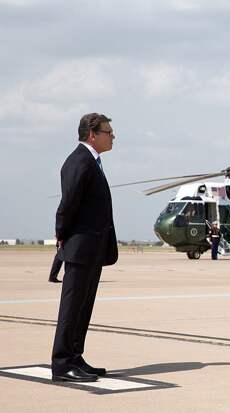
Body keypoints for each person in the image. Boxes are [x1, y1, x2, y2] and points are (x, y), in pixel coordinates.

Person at [51, 113, 118, 382]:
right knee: (71, 308)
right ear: (93, 134)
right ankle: (62, 363)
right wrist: (62, 234)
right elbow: (68, 204)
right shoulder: (80, 161)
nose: (113, 136)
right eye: (109, 132)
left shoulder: (92, 161)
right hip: (80, 247)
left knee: (83, 307)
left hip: (92, 248)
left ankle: (75, 357)